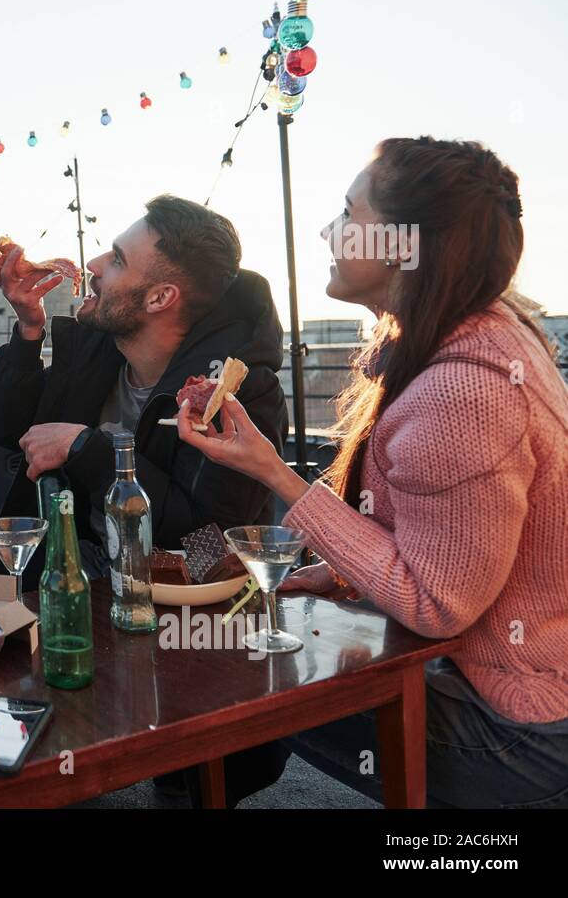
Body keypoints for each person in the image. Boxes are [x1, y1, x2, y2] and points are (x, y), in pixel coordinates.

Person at [176, 137, 568, 807]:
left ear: (404, 245)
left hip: (518, 731)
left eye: (348, 213)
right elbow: (442, 537)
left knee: (236, 657)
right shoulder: (476, 335)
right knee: (251, 632)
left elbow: (438, 603)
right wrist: (331, 573)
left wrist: (275, 471)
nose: (330, 230)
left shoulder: (463, 391)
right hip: (514, 691)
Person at [0, 194, 288, 590]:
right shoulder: (100, 351)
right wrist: (28, 332)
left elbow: (205, 545)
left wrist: (89, 450)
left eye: (117, 259)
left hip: (167, 585)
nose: (94, 265)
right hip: (86, 555)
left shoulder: (237, 394)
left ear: (160, 298)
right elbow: (7, 429)